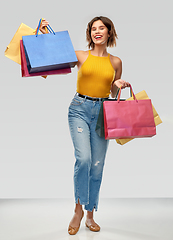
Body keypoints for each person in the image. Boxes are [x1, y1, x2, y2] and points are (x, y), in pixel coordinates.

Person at [40, 16, 130, 235]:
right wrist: (46, 35)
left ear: (109, 32)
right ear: (90, 34)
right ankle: (78, 210)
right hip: (79, 108)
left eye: (101, 28)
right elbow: (57, 55)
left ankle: (90, 214)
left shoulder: (116, 62)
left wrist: (117, 84)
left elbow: (113, 95)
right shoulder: (81, 55)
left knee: (97, 165)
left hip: (102, 113)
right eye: (93, 29)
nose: (97, 31)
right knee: (84, 159)